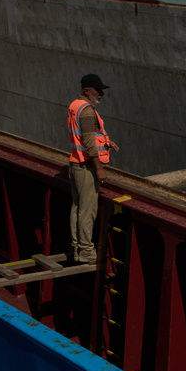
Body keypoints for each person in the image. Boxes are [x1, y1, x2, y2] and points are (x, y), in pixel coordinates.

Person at [67, 73, 119, 263]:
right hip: (86, 166)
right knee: (88, 210)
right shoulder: (87, 111)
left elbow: (86, 136)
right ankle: (87, 252)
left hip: (75, 162)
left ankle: (77, 247)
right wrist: (99, 169)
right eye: (98, 91)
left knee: (77, 206)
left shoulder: (75, 106)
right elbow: (89, 144)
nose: (101, 95)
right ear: (86, 91)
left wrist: (106, 142)